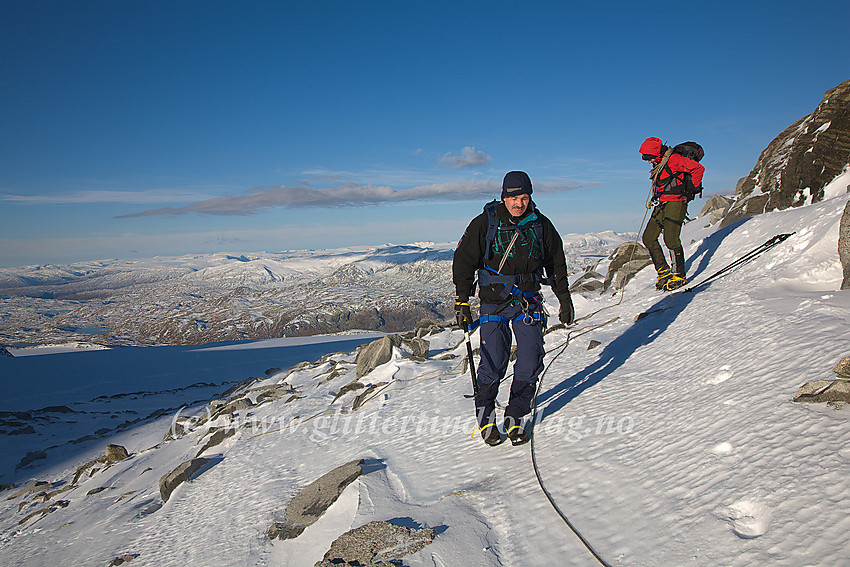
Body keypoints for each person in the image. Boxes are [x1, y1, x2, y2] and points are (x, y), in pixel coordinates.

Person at [452, 171, 574, 446]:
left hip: (527, 302)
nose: (518, 203)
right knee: (493, 362)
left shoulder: (541, 225)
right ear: (503, 196)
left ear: (530, 196)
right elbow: (463, 261)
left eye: (523, 197)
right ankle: (486, 419)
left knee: (530, 361)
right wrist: (462, 301)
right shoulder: (485, 223)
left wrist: (564, 299)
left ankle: (515, 417)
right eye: (513, 197)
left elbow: (557, 264)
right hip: (493, 302)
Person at [639, 137, 705, 291]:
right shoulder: (660, 162)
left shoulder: (674, 159)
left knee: (670, 239)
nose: (649, 162)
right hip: (662, 202)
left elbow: (698, 169)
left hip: (676, 202)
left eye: (650, 158)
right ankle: (663, 272)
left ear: (656, 153)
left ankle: (679, 276)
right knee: (648, 238)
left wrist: (691, 189)